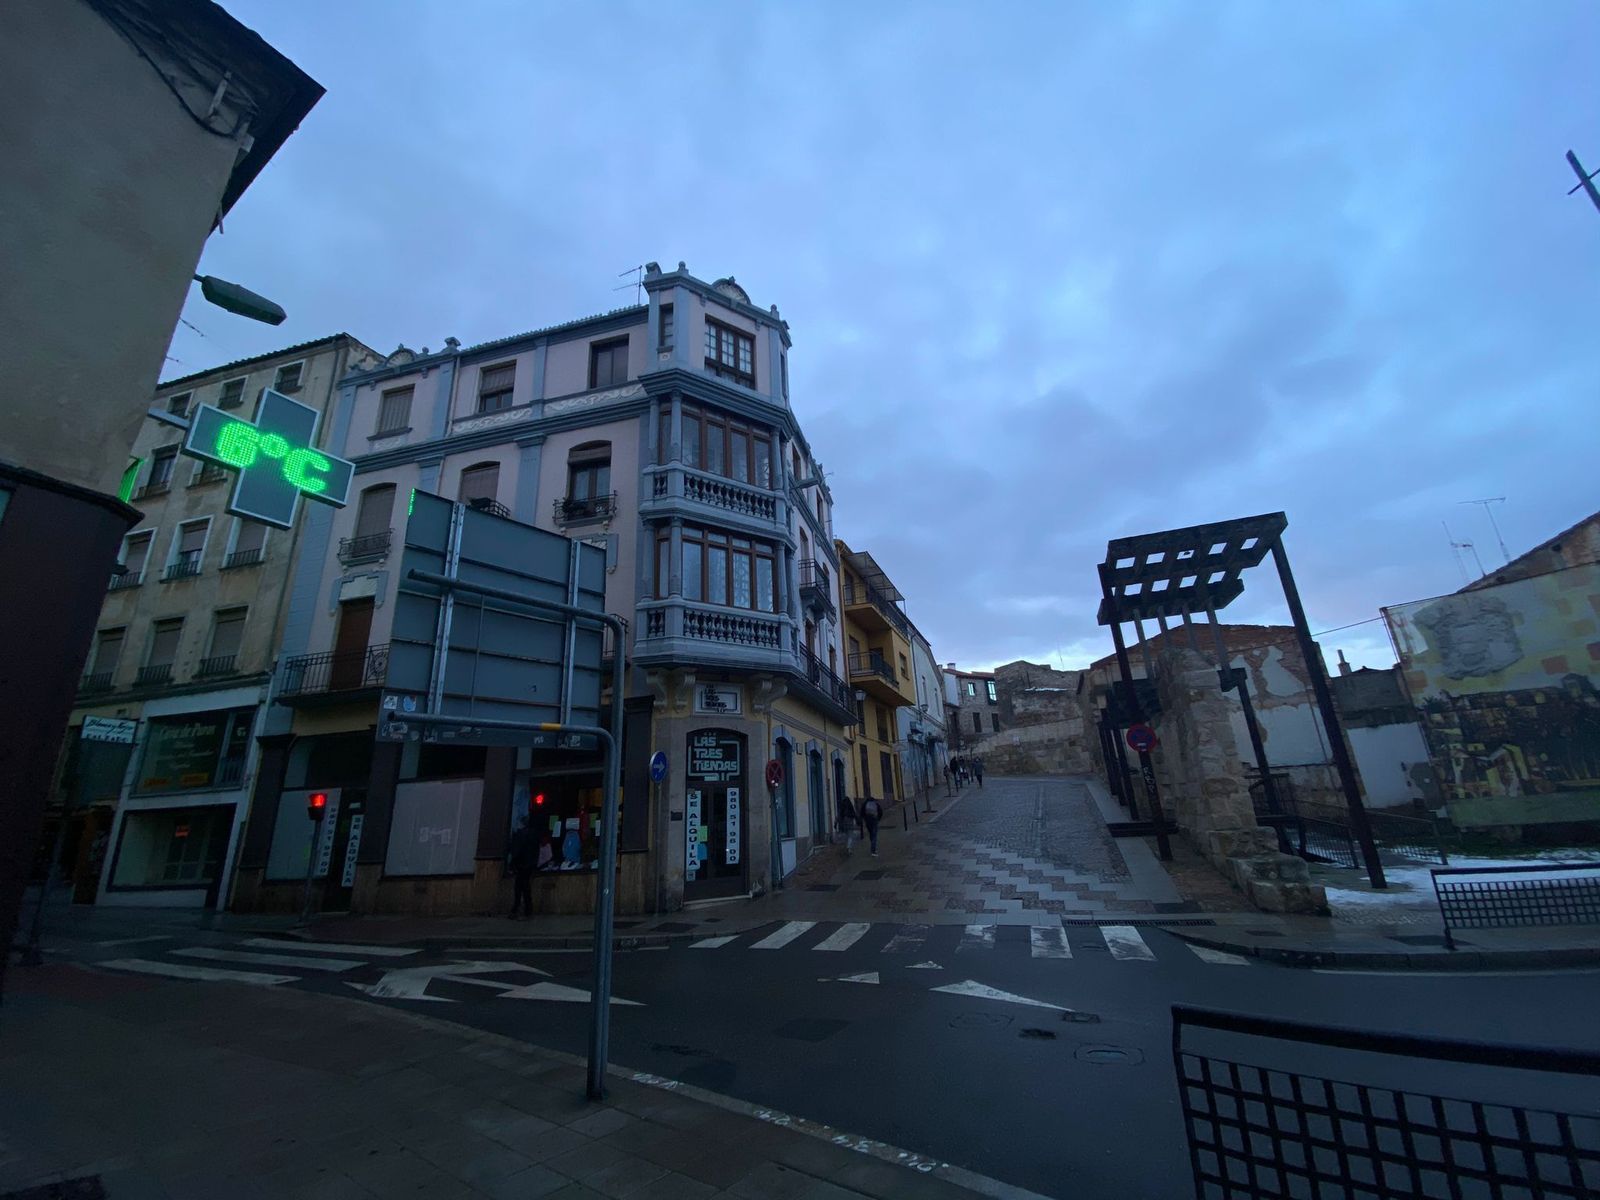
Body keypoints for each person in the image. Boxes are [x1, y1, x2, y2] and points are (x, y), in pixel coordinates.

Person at [508, 815, 535, 919]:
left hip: (521, 864)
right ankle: (527, 909)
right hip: (529, 864)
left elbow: (516, 850)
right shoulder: (533, 834)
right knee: (525, 887)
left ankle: (517, 908)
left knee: (519, 887)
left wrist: (513, 863)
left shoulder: (520, 835)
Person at [837, 790, 859, 854]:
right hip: (850, 821)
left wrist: (837, 822)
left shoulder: (842, 807)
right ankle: (849, 847)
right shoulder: (850, 807)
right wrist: (857, 820)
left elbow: (839, 815)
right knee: (850, 835)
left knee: (847, 834)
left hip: (844, 822)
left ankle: (848, 846)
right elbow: (854, 814)